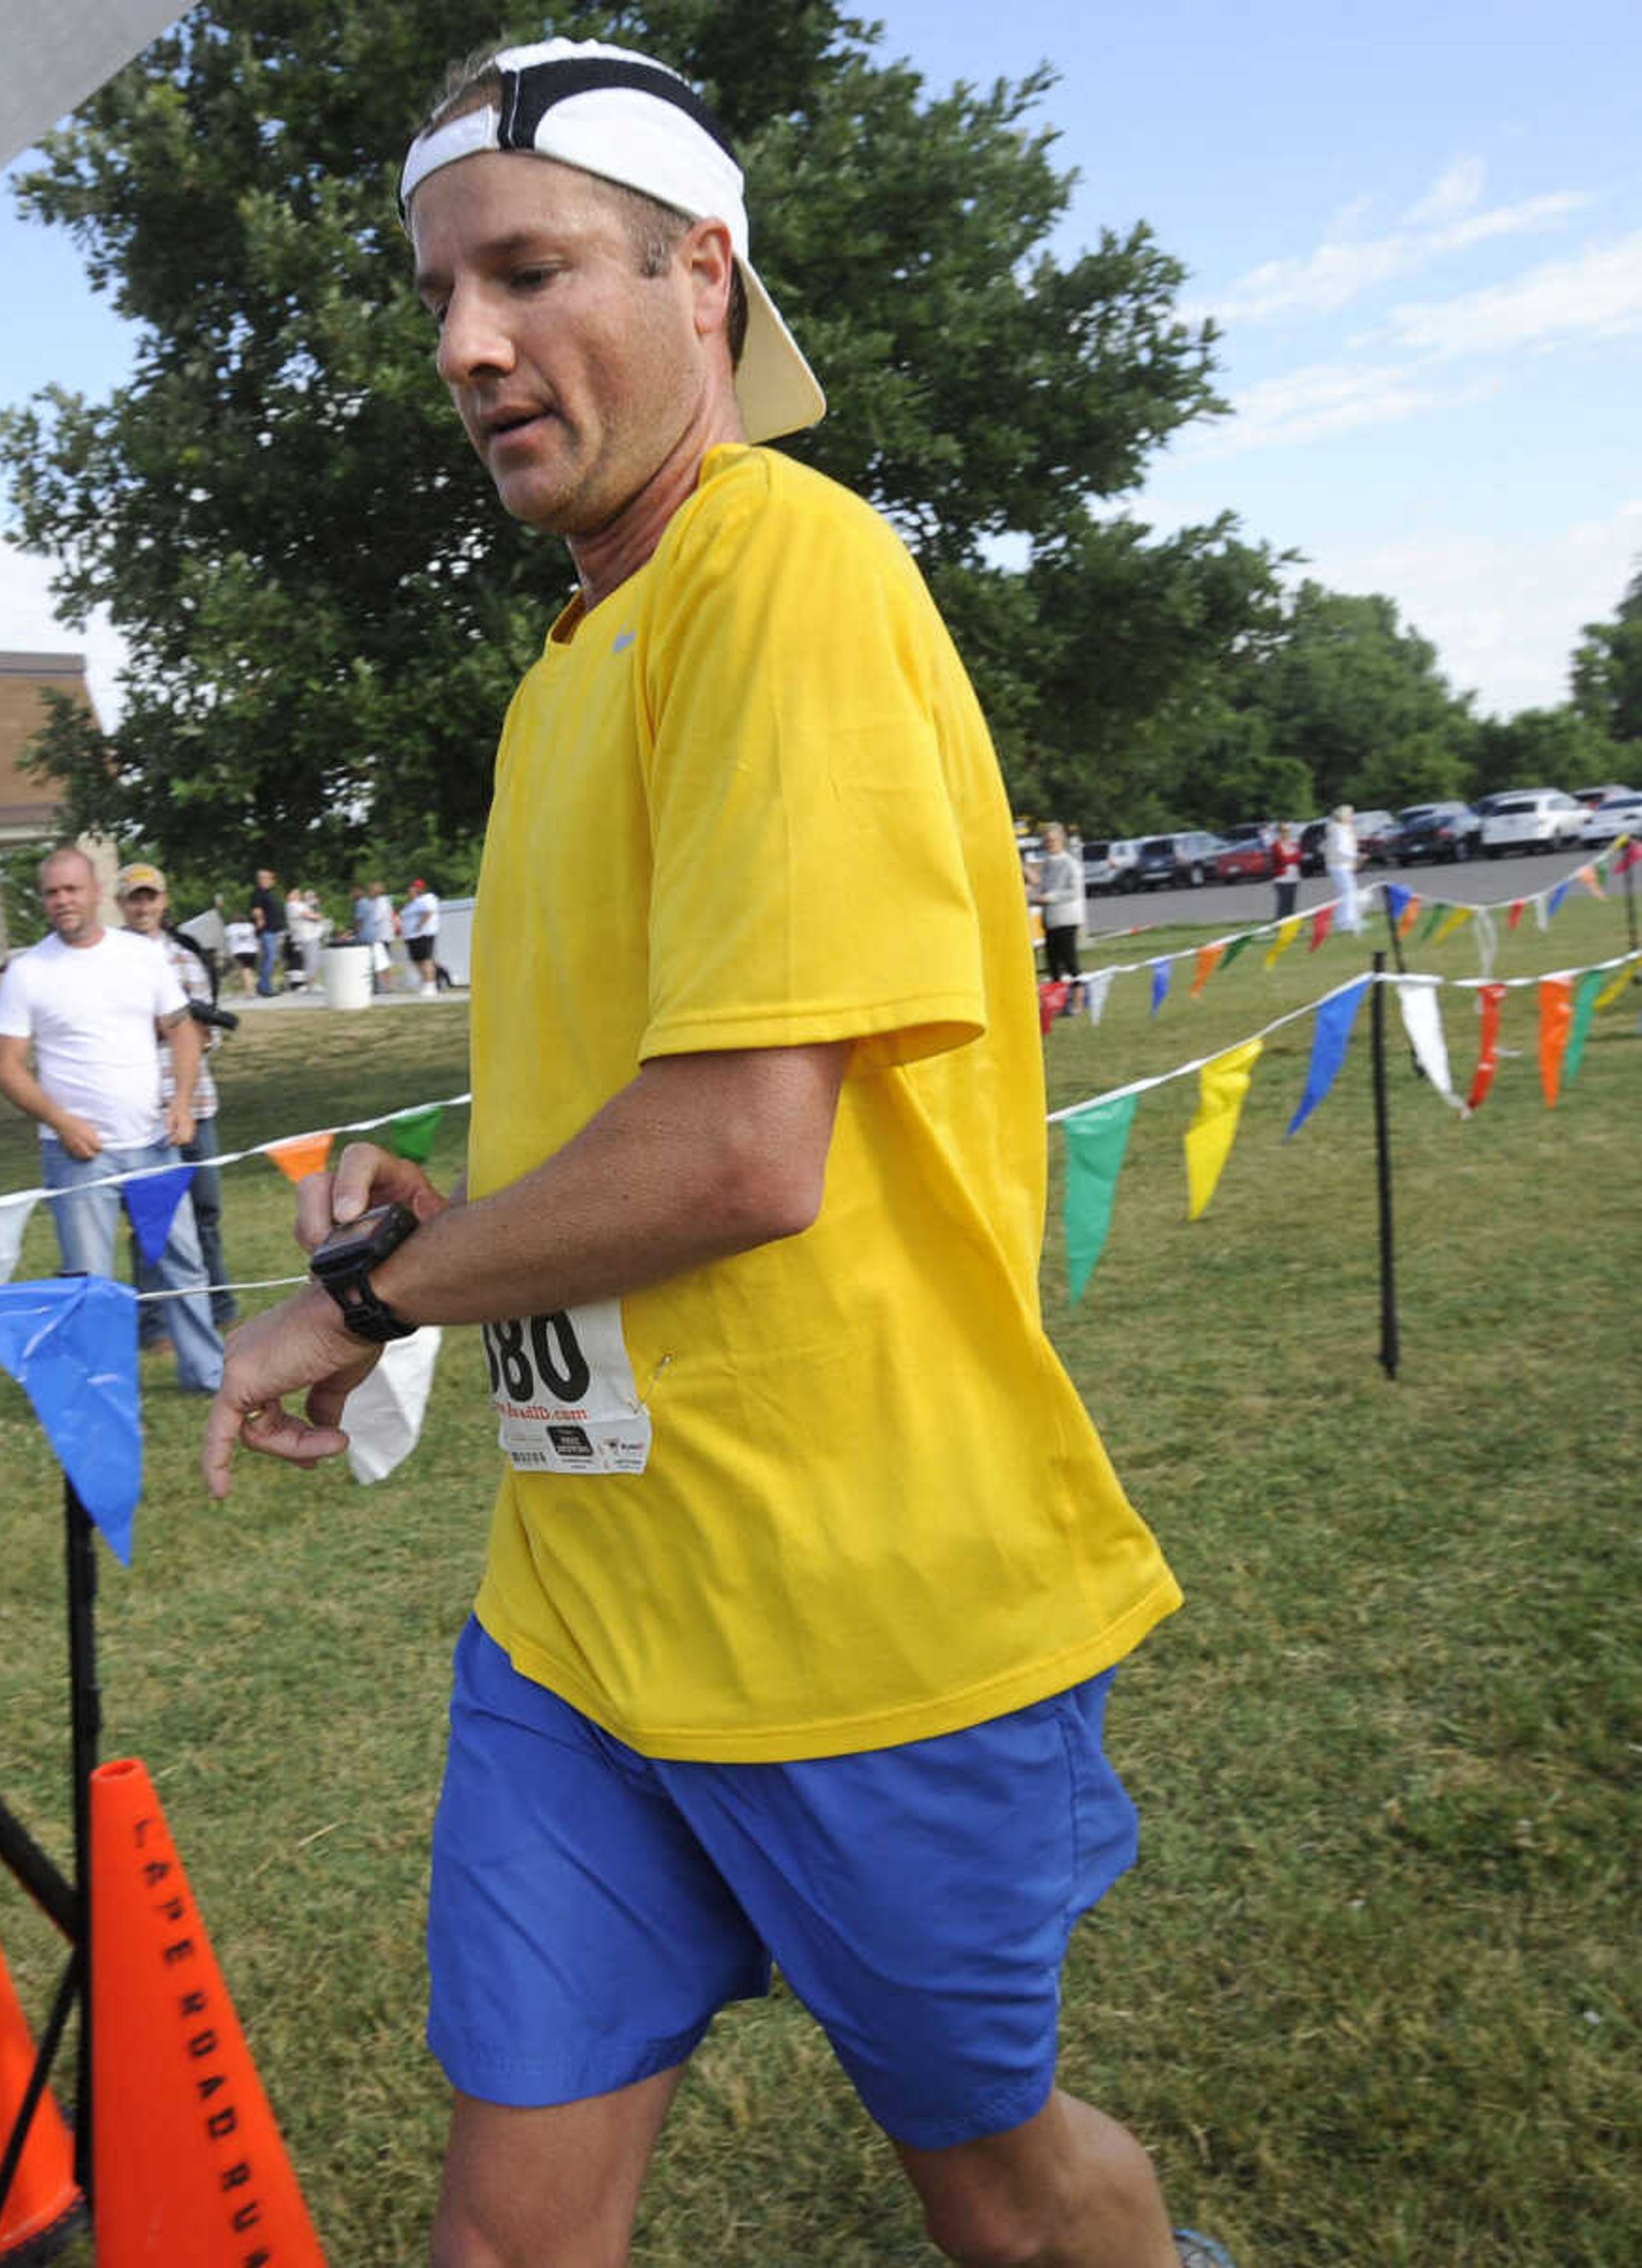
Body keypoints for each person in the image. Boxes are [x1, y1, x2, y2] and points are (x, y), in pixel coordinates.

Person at [202, 42, 1226, 2268]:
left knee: (1015, 2201)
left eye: (528, 270)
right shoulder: (574, 652)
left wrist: (359, 1299)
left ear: (701, 281)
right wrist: (459, 1231)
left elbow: (747, 1154)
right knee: (504, 2229)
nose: (466, 344)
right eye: (438, 294)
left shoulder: (790, 570)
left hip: (856, 1605)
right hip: (579, 1606)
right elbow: (651, 1138)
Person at [0, 846, 225, 1394]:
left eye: (72, 889)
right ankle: (102, 1385)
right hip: (76, 1156)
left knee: (183, 1266)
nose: (62, 901)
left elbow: (183, 1030)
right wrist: (60, 1120)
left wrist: (182, 1102)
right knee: (91, 1283)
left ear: (96, 893)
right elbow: (4, 1066)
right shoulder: (28, 971)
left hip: (153, 1143)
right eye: (52, 892)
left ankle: (208, 1375)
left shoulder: (141, 957)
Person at [117, 861, 240, 1333]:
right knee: (151, 1221)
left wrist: (184, 1030)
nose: (143, 905)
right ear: (121, 904)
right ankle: (154, 1323)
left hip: (197, 1105)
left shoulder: (187, 958)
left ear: (164, 901)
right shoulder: (110, 961)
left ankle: (220, 1306)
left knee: (207, 1212)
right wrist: (169, 1026)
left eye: (151, 896)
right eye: (134, 897)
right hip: (142, 1113)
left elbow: (207, 1038)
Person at [1028, 823, 1084, 1006]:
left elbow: (1073, 891)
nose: (1048, 844)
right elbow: (1039, 885)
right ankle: (1057, 1004)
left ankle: (1078, 1003)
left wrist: (1050, 897)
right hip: (1050, 920)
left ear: (1061, 841)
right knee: (1053, 965)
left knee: (1070, 963)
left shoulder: (1070, 863)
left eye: (1052, 840)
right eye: (1046, 841)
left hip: (1067, 919)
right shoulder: (1047, 864)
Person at [397, 875, 446, 992]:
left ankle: (431, 985)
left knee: (426, 960)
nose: (411, 891)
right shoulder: (411, 904)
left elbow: (428, 912)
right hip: (411, 937)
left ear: (420, 890)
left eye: (414, 889)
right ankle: (426, 982)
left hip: (422, 935)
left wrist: (419, 926)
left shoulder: (426, 899)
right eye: (411, 889)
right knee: (417, 961)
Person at [354, 877, 398, 991]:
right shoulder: (362, 903)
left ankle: (389, 986)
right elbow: (359, 921)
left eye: (380, 889)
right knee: (370, 962)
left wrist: (394, 930)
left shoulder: (385, 901)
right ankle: (374, 986)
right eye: (375, 888)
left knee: (385, 962)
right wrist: (357, 935)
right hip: (367, 937)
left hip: (383, 936)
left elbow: (391, 917)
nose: (378, 891)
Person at [1325, 804, 1362, 934]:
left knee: (1346, 893)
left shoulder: (1344, 829)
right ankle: (1346, 922)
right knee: (1349, 892)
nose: (1352, 817)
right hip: (1339, 865)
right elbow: (1341, 849)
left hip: (1342, 865)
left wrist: (1354, 859)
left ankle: (1344, 921)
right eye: (1350, 815)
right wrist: (1356, 856)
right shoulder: (1339, 830)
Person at [248, 868, 285, 997]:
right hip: (267, 931)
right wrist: (260, 920)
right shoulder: (259, 893)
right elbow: (256, 910)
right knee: (269, 959)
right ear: (261, 880)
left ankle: (263, 985)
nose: (270, 880)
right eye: (267, 878)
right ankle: (265, 988)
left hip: (273, 931)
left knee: (269, 959)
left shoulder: (269, 892)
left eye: (270, 878)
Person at [1269, 821, 1302, 921]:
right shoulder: (1276, 845)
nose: (1286, 833)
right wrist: (1292, 858)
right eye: (1283, 831)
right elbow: (1283, 859)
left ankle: (1292, 925)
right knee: (1283, 904)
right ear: (1278, 832)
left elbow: (1299, 857)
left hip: (1294, 877)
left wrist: (1290, 857)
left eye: (1287, 831)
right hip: (1282, 878)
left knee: (1291, 904)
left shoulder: (1293, 844)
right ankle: (1279, 924)